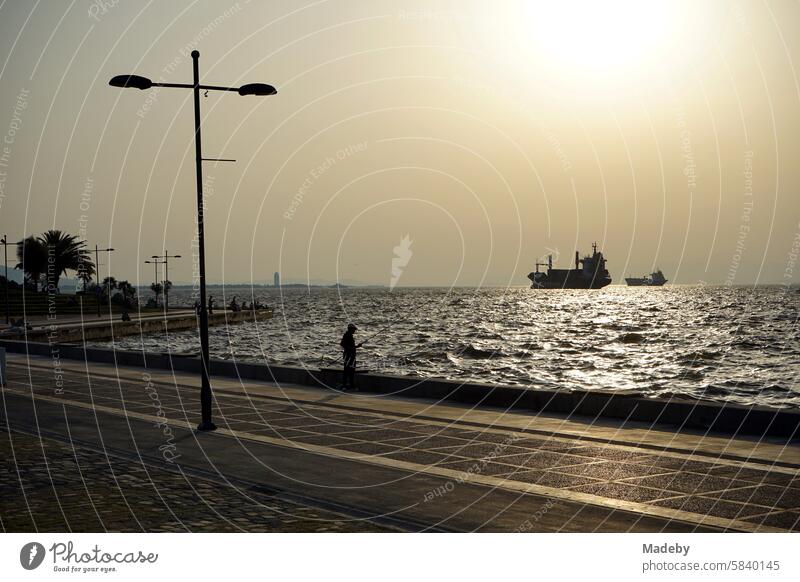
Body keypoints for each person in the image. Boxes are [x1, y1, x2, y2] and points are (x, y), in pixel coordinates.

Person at [339, 323, 362, 391]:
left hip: (351, 356)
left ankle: (350, 385)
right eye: (354, 329)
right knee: (347, 371)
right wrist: (352, 348)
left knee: (351, 371)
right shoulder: (347, 335)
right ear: (350, 329)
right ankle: (345, 386)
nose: (354, 331)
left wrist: (357, 346)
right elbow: (342, 344)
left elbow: (351, 347)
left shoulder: (350, 335)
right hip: (348, 356)